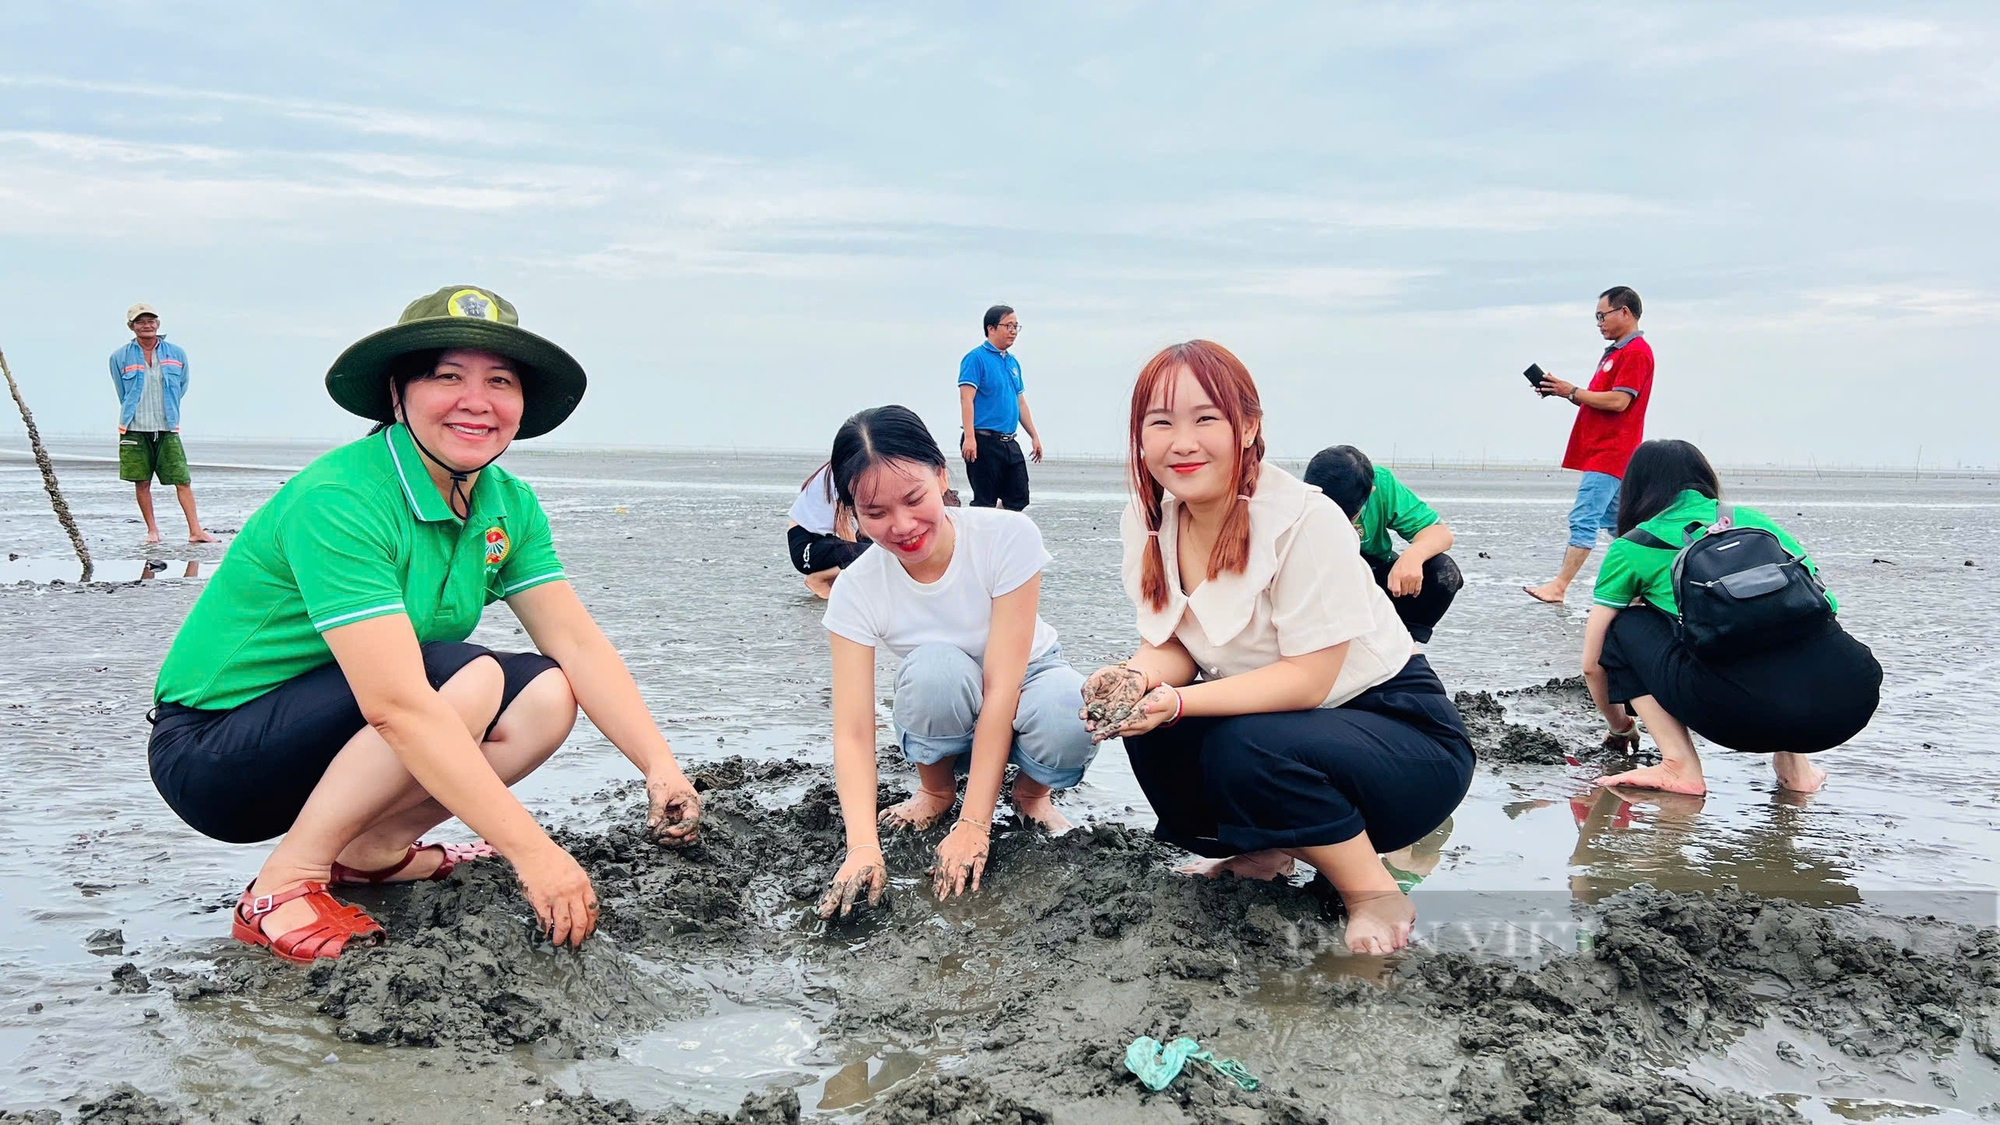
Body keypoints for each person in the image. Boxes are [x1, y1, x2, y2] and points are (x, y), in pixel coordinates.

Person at [146, 285, 703, 963]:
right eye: (447, 376)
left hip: (341, 737)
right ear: (396, 393)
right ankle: (282, 885)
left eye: (500, 380)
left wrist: (661, 767)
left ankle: (371, 852)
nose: (477, 400)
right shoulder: (342, 497)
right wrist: (535, 854)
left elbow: (578, 642)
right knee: (467, 677)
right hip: (215, 753)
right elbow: (398, 706)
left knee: (548, 692)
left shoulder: (506, 503)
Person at [1082, 341, 1474, 955]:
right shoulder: (1150, 515)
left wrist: (1179, 702)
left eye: (1205, 418)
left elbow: (1308, 683)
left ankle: (1372, 890)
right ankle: (1261, 852)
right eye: (1160, 423)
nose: (1181, 442)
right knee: (1147, 721)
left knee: (1238, 738)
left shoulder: (1304, 519)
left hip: (1402, 740)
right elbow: (1172, 646)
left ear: (1248, 425)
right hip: (1292, 733)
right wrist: (1132, 679)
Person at [815, 406, 1095, 920]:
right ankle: (935, 790)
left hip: (1026, 677)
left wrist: (975, 826)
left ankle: (1031, 795)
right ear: (853, 513)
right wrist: (862, 847)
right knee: (934, 671)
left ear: (942, 476)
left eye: (914, 498)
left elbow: (1003, 685)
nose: (902, 526)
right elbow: (853, 731)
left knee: (1069, 711)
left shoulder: (1007, 537)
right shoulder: (856, 590)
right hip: (945, 692)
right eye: (875, 513)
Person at [1582, 439, 1881, 797]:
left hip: (1740, 722)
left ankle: (1679, 766)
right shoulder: (1755, 522)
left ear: (1635, 488)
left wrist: (1620, 728)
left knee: (1623, 625)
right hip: (1852, 701)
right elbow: (1825, 605)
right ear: (1704, 477)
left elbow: (1592, 664)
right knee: (1780, 617)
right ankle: (1796, 769)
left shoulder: (1632, 547)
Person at [1525, 286, 1654, 603]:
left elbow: (1619, 401)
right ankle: (1645, 585)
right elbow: (1596, 400)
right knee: (1621, 525)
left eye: (1602, 315)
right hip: (1604, 451)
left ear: (1624, 312)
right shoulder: (1615, 353)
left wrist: (1572, 391)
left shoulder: (1636, 352)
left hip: (1611, 453)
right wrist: (1561, 390)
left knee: (1585, 519)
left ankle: (1559, 586)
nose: (1598, 323)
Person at [1303, 445, 1461, 644]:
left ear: (1371, 491)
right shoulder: (1300, 499)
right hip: (1327, 580)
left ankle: (1402, 644)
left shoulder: (1380, 483)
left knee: (1443, 571)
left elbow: (1440, 533)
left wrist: (1413, 555)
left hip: (1375, 572)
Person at [110, 303, 216, 545]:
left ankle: (195, 530)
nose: (146, 325)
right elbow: (121, 390)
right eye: (140, 322)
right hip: (134, 427)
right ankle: (152, 531)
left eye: (150, 321)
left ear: (158, 324)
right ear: (131, 326)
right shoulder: (119, 357)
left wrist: (171, 411)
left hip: (168, 427)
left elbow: (182, 386)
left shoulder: (176, 353)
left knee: (182, 479)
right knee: (142, 481)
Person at [957, 305, 1043, 510]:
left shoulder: (1012, 362)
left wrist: (1034, 436)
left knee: (1019, 498)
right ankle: (981, 537)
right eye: (1008, 325)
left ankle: (997, 524)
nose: (1013, 331)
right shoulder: (975, 358)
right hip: (982, 439)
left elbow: (1020, 402)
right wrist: (970, 438)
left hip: (1008, 441)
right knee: (984, 500)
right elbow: (966, 399)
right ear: (991, 329)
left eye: (1016, 326)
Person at [787, 462, 870, 598]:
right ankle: (818, 579)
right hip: (806, 547)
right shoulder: (841, 473)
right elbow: (842, 526)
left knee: (875, 551)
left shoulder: (854, 473)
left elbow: (863, 528)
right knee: (868, 555)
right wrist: (859, 562)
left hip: (825, 542)